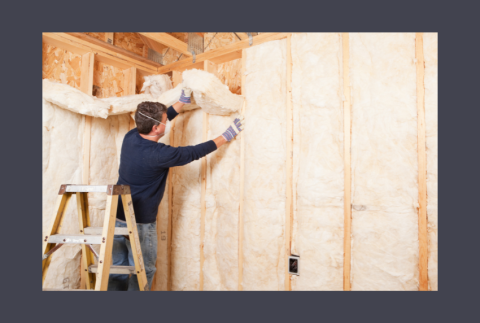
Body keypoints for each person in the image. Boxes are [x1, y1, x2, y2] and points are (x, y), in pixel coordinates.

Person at [108, 86, 244, 291]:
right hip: (141, 223)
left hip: (116, 215)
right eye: (164, 121)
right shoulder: (160, 154)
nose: (166, 122)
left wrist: (181, 102)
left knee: (117, 268)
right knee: (143, 270)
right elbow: (194, 152)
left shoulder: (131, 137)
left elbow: (160, 119)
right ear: (155, 129)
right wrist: (226, 135)